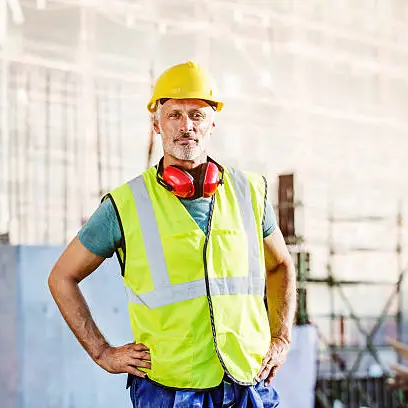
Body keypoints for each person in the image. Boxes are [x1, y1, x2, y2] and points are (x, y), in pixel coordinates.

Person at [48, 61, 297, 408]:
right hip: (170, 389)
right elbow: (61, 276)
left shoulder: (250, 192)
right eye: (174, 115)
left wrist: (281, 337)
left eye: (196, 115)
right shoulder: (126, 204)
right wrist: (102, 353)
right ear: (156, 124)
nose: (186, 127)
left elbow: (281, 264)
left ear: (213, 123)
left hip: (247, 381)